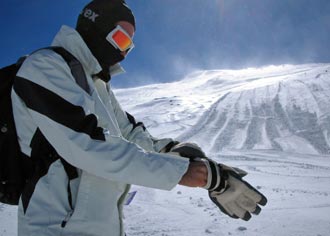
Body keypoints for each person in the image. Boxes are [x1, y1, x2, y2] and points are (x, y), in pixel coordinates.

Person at [12, 0, 266, 235]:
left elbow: (131, 134)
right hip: (55, 228)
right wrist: (184, 173)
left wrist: (178, 152)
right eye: (121, 41)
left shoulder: (99, 86)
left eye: (128, 47)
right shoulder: (44, 66)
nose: (123, 54)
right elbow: (87, 144)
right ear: (95, 25)